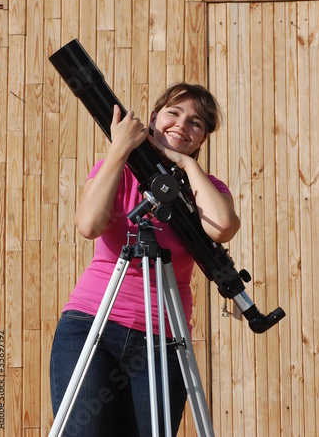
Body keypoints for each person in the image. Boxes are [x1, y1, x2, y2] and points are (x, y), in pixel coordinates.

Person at [50, 83, 240, 436]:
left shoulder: (204, 187)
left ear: (202, 139)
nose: (182, 125)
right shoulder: (119, 171)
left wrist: (183, 163)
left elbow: (223, 227)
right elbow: (89, 225)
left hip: (163, 340)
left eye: (196, 123)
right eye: (174, 113)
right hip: (92, 328)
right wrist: (119, 150)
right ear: (153, 118)